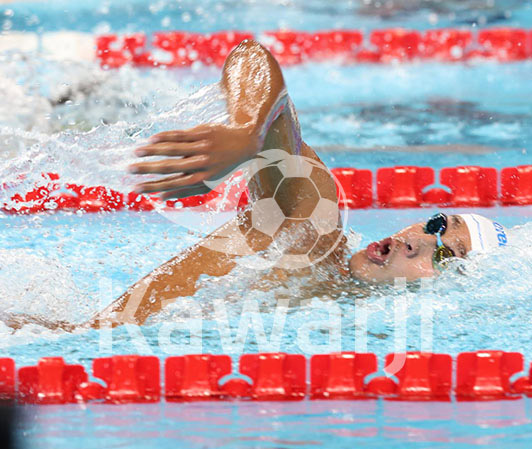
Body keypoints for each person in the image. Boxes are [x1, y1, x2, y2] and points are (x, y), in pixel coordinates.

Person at [4, 40, 509, 331]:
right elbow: (253, 58)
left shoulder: (346, 317)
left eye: (444, 255)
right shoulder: (315, 231)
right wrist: (250, 134)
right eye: (439, 224)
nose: (417, 238)